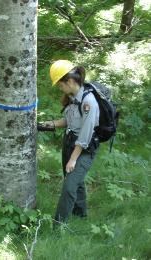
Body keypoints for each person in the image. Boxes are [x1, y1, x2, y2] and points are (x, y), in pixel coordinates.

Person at [44, 60, 100, 224]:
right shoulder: (72, 97)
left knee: (69, 187)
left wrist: (73, 159)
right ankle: (80, 215)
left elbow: (85, 135)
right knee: (77, 182)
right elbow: (69, 121)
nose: (60, 89)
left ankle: (57, 226)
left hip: (84, 149)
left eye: (60, 85)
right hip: (69, 143)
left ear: (69, 81)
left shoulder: (89, 102)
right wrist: (50, 124)